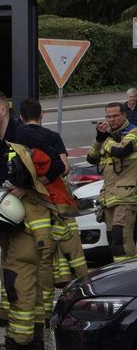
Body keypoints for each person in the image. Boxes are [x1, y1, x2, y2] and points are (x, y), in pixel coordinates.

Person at [0, 90, 64, 350]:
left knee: (19, 279)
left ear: (3, 110)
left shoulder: (24, 136)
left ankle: (21, 340)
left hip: (28, 223)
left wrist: (27, 189)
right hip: (13, 222)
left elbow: (57, 167)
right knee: (29, 281)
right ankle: (35, 339)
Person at [18, 99, 87, 287]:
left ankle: (54, 287)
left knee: (43, 250)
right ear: (42, 115)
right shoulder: (52, 136)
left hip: (32, 201)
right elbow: (64, 168)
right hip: (58, 197)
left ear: (21, 117)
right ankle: (81, 283)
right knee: (71, 246)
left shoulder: (18, 136)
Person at [87, 102, 137, 262]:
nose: (111, 119)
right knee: (113, 242)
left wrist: (106, 139)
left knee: (121, 239)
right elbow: (91, 158)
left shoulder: (133, 132)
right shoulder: (107, 138)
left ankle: (128, 278)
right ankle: (119, 274)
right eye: (108, 116)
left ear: (124, 115)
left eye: (115, 116)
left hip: (127, 197)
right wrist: (98, 139)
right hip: (109, 198)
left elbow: (121, 150)